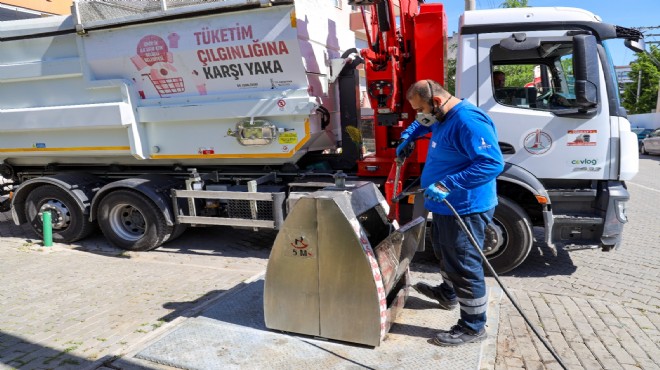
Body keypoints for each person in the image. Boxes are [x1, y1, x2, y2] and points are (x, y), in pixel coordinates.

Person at [396, 79, 504, 346]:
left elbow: (491, 163)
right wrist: (407, 136)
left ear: (435, 102)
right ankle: (448, 294)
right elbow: (421, 124)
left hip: (464, 208)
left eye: (421, 110)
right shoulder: (441, 115)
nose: (421, 116)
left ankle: (473, 327)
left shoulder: (467, 121)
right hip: (445, 206)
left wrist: (448, 183)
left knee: (464, 265)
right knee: (445, 252)